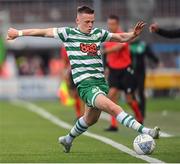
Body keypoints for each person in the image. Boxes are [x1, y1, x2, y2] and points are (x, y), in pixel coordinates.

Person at [7, 5, 160, 153]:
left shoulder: (97, 34)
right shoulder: (68, 34)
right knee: (112, 107)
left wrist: (133, 34)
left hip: (101, 83)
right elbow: (42, 32)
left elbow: (119, 37)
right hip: (86, 85)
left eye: (92, 21)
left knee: (90, 119)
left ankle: (68, 139)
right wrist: (19, 33)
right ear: (77, 21)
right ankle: (146, 131)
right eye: (87, 22)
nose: (90, 25)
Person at [103, 15, 143, 132]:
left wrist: (104, 51)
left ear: (117, 24)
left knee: (129, 100)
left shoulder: (122, 36)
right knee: (111, 97)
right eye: (109, 24)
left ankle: (139, 117)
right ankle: (114, 124)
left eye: (113, 24)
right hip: (114, 71)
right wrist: (107, 69)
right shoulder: (107, 38)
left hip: (126, 70)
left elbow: (118, 47)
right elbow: (109, 57)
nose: (110, 26)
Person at [130, 38, 159, 119]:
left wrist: (156, 60)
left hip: (140, 72)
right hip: (130, 72)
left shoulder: (142, 45)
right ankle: (137, 109)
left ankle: (142, 111)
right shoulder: (127, 45)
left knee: (140, 91)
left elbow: (150, 54)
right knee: (131, 93)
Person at [59, 47, 84, 119]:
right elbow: (65, 61)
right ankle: (79, 114)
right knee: (74, 94)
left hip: (81, 70)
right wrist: (64, 74)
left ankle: (82, 114)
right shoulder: (64, 48)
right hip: (71, 72)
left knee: (80, 94)